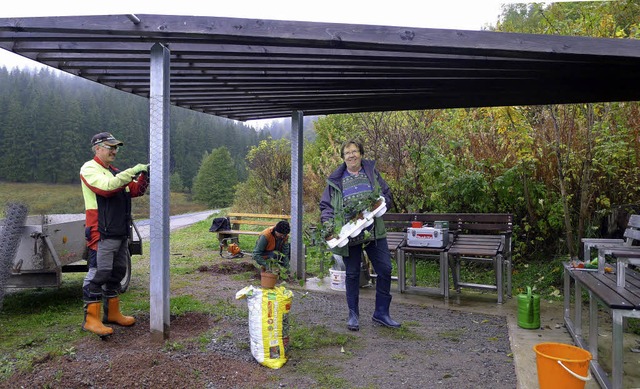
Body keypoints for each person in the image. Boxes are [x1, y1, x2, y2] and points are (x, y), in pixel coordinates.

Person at [319, 140, 400, 331]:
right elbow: (326, 206)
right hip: (350, 234)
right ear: (343, 157)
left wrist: (381, 204)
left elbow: (386, 194)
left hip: (374, 231)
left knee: (385, 269)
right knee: (353, 274)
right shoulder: (335, 180)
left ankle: (381, 313)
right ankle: (353, 315)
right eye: (347, 152)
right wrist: (328, 225)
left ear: (361, 154)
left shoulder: (371, 173)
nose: (351, 155)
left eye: (355, 151)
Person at [79, 132, 149, 337]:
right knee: (99, 272)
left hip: (119, 231)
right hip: (101, 231)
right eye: (110, 147)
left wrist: (145, 175)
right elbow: (106, 189)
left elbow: (134, 190)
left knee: (117, 271)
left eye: (116, 147)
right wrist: (132, 171)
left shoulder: (114, 172)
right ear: (97, 148)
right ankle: (91, 320)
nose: (114, 151)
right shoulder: (89, 169)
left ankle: (113, 314)